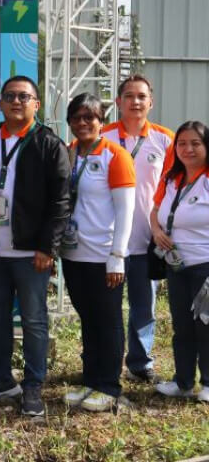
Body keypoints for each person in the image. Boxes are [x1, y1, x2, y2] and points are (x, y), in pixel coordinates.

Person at [0, 75, 70, 417]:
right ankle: (0, 378)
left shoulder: (49, 144)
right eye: (10, 96)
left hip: (30, 255)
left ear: (36, 105)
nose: (16, 101)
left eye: (24, 97)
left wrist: (47, 248)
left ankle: (33, 386)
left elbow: (60, 202)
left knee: (34, 321)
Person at [61, 93, 135, 412]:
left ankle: (109, 386)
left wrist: (117, 255)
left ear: (101, 121)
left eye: (89, 117)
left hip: (105, 256)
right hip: (73, 254)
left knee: (108, 322)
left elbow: (125, 209)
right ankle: (91, 381)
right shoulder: (67, 154)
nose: (83, 123)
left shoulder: (115, 155)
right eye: (77, 117)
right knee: (88, 320)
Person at [102, 75, 173, 382]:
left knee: (143, 308)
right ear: (118, 102)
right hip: (106, 241)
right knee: (107, 310)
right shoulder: (101, 136)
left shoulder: (165, 139)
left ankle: (140, 365)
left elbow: (175, 189)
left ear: (150, 102)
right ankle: (105, 364)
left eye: (141, 96)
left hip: (148, 240)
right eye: (129, 96)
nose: (135, 101)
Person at [151, 121, 209, 402]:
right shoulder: (171, 179)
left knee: (206, 325)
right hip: (177, 265)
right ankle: (183, 381)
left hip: (205, 265)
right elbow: (155, 209)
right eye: (182, 144)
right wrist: (157, 231)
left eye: (196, 143)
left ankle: (208, 383)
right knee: (182, 325)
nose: (188, 149)